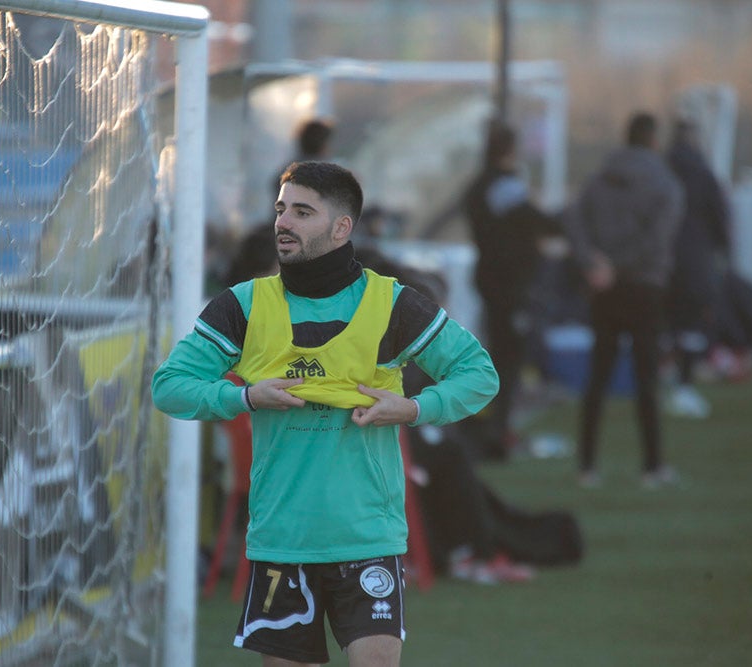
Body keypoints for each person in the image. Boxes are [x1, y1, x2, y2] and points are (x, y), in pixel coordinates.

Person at [152, 161, 499, 665]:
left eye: (302, 212)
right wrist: (244, 398)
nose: (282, 222)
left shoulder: (393, 304)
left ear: (342, 227)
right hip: (283, 539)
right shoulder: (243, 306)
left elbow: (479, 374)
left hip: (366, 535)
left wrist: (414, 408)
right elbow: (169, 387)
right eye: (280, 209)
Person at [560, 112, 684, 488]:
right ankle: (652, 467)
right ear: (653, 140)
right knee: (647, 378)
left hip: (604, 288)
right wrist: (618, 265)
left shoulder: (599, 179)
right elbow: (657, 240)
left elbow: (573, 221)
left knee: (598, 377)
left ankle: (586, 467)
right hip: (645, 287)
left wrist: (594, 263)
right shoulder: (665, 182)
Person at [463, 118, 566, 460]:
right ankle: (497, 436)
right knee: (508, 361)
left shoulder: (477, 187)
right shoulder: (504, 187)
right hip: (509, 285)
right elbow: (538, 221)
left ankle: (491, 429)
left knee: (498, 355)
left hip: (490, 280)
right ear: (510, 150)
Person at [663, 117, 732, 419]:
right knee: (691, 325)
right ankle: (684, 386)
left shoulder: (661, 170)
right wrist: (723, 253)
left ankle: (660, 384)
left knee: (664, 325)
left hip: (659, 262)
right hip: (694, 262)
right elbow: (720, 218)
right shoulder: (704, 174)